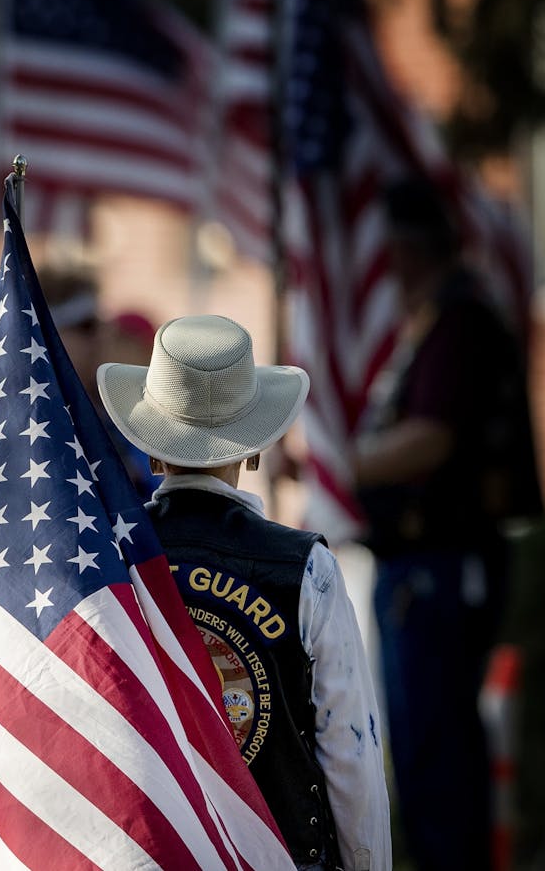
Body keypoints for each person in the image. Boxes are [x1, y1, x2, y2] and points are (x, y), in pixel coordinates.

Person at [98, 314, 391, 871]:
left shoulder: (107, 559)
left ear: (151, 450)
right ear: (253, 451)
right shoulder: (307, 569)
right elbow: (350, 755)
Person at [352, 178, 544, 870]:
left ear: (406, 251)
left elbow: (432, 439)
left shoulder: (460, 322)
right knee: (424, 749)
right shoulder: (439, 319)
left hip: (440, 566)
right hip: (419, 568)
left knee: (438, 752)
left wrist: (344, 466)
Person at [39, 267, 160, 500]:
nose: (105, 334)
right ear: (48, 335)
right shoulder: (28, 421)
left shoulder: (107, 414)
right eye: (86, 326)